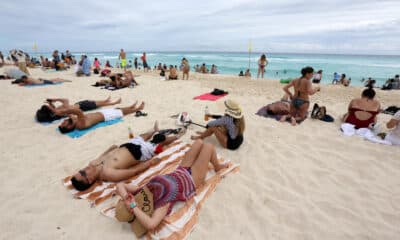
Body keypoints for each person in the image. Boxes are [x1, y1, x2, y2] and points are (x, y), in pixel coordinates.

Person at [115, 139, 229, 231]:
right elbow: (151, 224)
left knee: (199, 142)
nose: (131, 200)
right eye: (129, 205)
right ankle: (217, 167)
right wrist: (134, 207)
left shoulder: (140, 192)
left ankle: (211, 163)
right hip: (191, 180)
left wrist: (126, 198)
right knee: (208, 146)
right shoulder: (159, 204)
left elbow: (120, 185)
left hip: (180, 170)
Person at [70, 121, 187, 191]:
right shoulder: (109, 174)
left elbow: (104, 154)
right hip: (140, 153)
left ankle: (153, 130)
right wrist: (150, 163)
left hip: (126, 146)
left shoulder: (92, 163)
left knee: (141, 136)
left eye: (81, 170)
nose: (84, 169)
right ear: (90, 180)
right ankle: (178, 136)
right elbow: (133, 171)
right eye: (83, 173)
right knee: (159, 142)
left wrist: (111, 148)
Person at [58, 101, 145, 134]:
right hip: (105, 117)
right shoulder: (80, 125)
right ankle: (137, 109)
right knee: (121, 112)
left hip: (101, 113)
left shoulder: (75, 121)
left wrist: (59, 111)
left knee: (117, 109)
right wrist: (65, 111)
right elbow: (79, 112)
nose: (64, 122)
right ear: (69, 127)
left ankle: (131, 106)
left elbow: (66, 104)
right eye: (63, 124)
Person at [36, 97, 121, 123]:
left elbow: (55, 107)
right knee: (96, 104)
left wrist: (51, 104)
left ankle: (106, 100)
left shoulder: (55, 112)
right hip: (81, 107)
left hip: (78, 104)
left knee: (94, 102)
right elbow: (66, 100)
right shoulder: (59, 112)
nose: (51, 105)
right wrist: (55, 99)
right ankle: (113, 103)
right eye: (49, 107)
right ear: (49, 111)